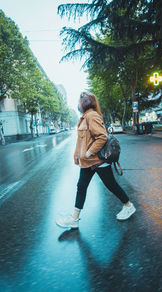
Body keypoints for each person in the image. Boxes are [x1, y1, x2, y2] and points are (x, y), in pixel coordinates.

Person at [56, 92, 136, 229]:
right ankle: (74, 219)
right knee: (81, 187)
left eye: (79, 101)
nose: (78, 104)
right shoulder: (84, 117)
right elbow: (80, 140)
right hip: (88, 162)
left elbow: (102, 137)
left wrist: (88, 153)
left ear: (85, 103)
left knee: (111, 185)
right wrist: (77, 155)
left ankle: (128, 206)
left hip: (97, 161)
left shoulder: (92, 116)